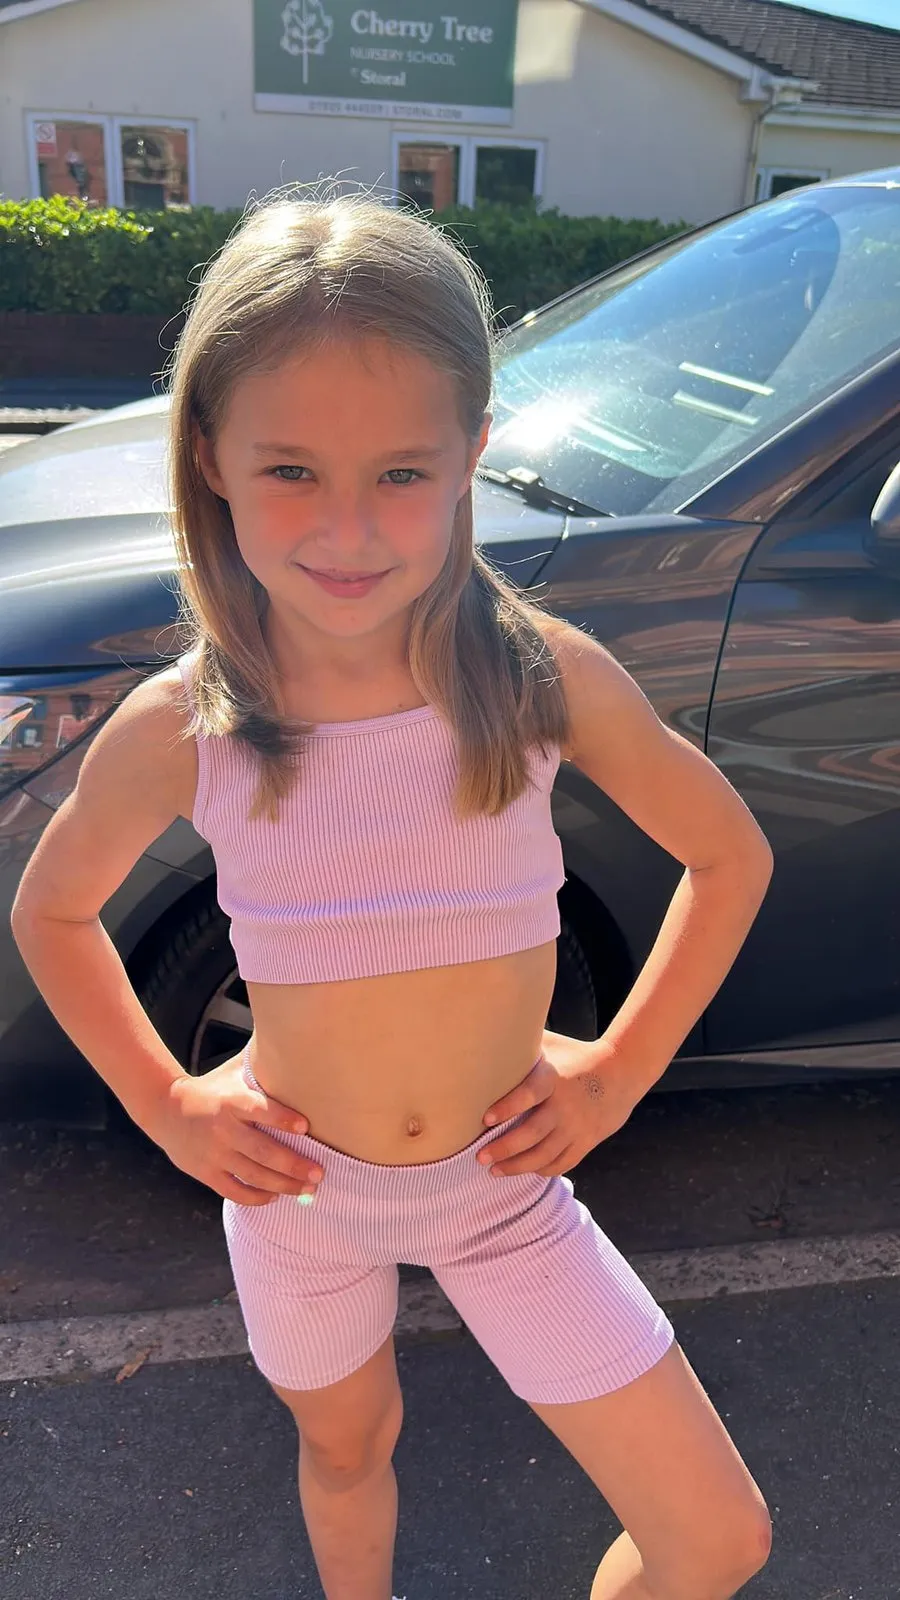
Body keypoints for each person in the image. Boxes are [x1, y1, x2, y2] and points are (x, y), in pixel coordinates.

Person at [11, 185, 775, 1600]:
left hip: (505, 1190)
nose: (349, 529)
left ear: (474, 449)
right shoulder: (188, 722)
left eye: (403, 472)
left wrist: (616, 1075)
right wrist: (169, 1104)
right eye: (292, 470)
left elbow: (730, 857)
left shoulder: (539, 679)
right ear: (211, 455)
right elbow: (49, 914)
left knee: (716, 1538)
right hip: (300, 1194)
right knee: (349, 1447)